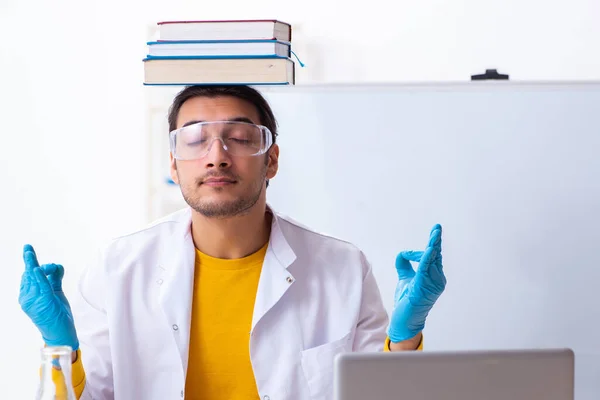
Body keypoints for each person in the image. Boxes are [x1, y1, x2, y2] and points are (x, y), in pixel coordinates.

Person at [19, 85, 446, 399]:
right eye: (195, 140)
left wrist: (405, 338)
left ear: (272, 160)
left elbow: (375, 394)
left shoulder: (342, 268)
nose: (217, 155)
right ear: (174, 163)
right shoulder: (118, 268)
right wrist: (61, 350)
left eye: (240, 138)